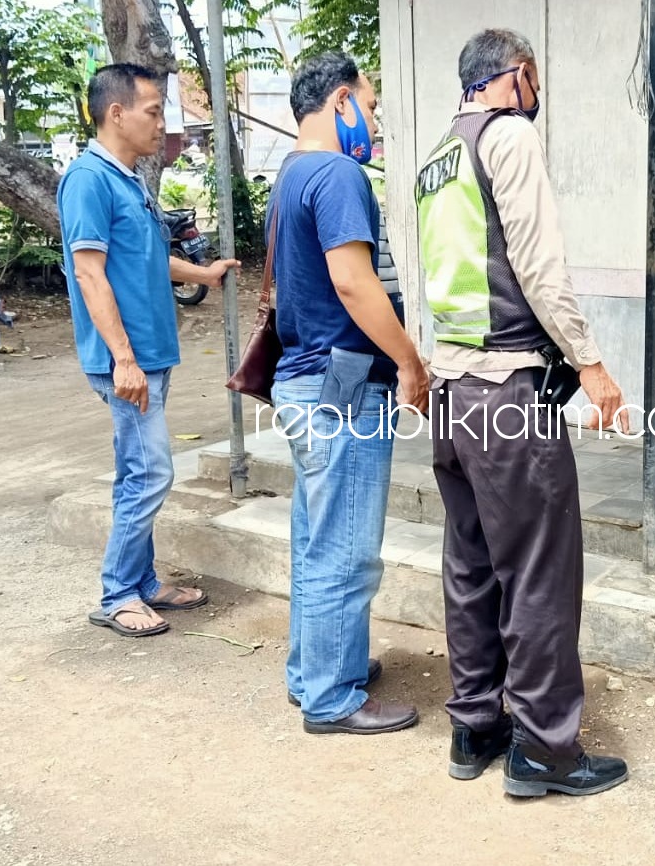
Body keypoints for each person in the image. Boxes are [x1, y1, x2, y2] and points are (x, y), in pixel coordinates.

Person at [415, 28, 629, 797]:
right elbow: (538, 264)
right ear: (518, 75)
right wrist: (589, 360)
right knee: (538, 569)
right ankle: (544, 748)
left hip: (453, 389)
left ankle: (475, 726)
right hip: (508, 388)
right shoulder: (507, 137)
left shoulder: (440, 153)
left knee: (471, 564)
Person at [269, 52, 429, 735]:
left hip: (305, 381)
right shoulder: (336, 172)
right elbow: (352, 283)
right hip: (345, 385)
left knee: (317, 536)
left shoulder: (291, 174)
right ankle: (334, 698)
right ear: (340, 101)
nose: (373, 117)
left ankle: (318, 671)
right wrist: (409, 362)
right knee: (347, 548)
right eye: (369, 102)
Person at [59, 64, 240, 637]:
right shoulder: (88, 179)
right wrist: (124, 359)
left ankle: (141, 582)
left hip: (149, 354)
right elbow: (89, 274)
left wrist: (204, 275)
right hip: (127, 360)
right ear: (117, 113)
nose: (162, 124)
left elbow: (144, 260)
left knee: (136, 471)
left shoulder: (129, 177)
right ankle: (117, 594)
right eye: (154, 111)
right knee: (152, 473)